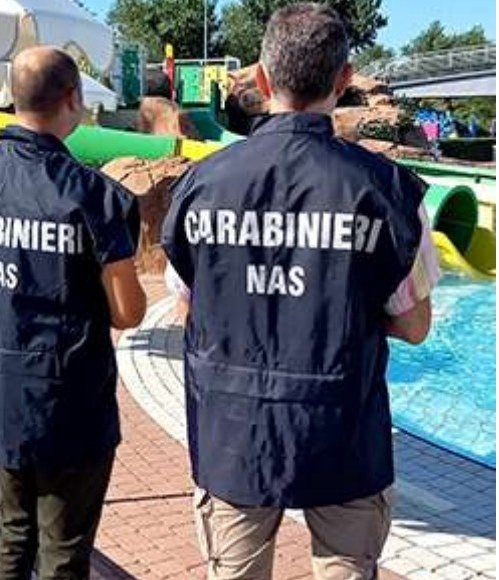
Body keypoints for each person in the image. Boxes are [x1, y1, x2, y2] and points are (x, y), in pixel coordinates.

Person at [161, 4, 440, 579]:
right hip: (343, 434)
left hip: (234, 434)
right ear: (344, 80)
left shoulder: (200, 185)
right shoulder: (387, 192)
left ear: (262, 81)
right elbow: (415, 326)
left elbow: (188, 311)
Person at [0, 46, 146, 580]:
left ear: (13, 98)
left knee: (13, 532)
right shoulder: (94, 196)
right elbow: (128, 312)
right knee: (63, 550)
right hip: (67, 403)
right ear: (73, 98)